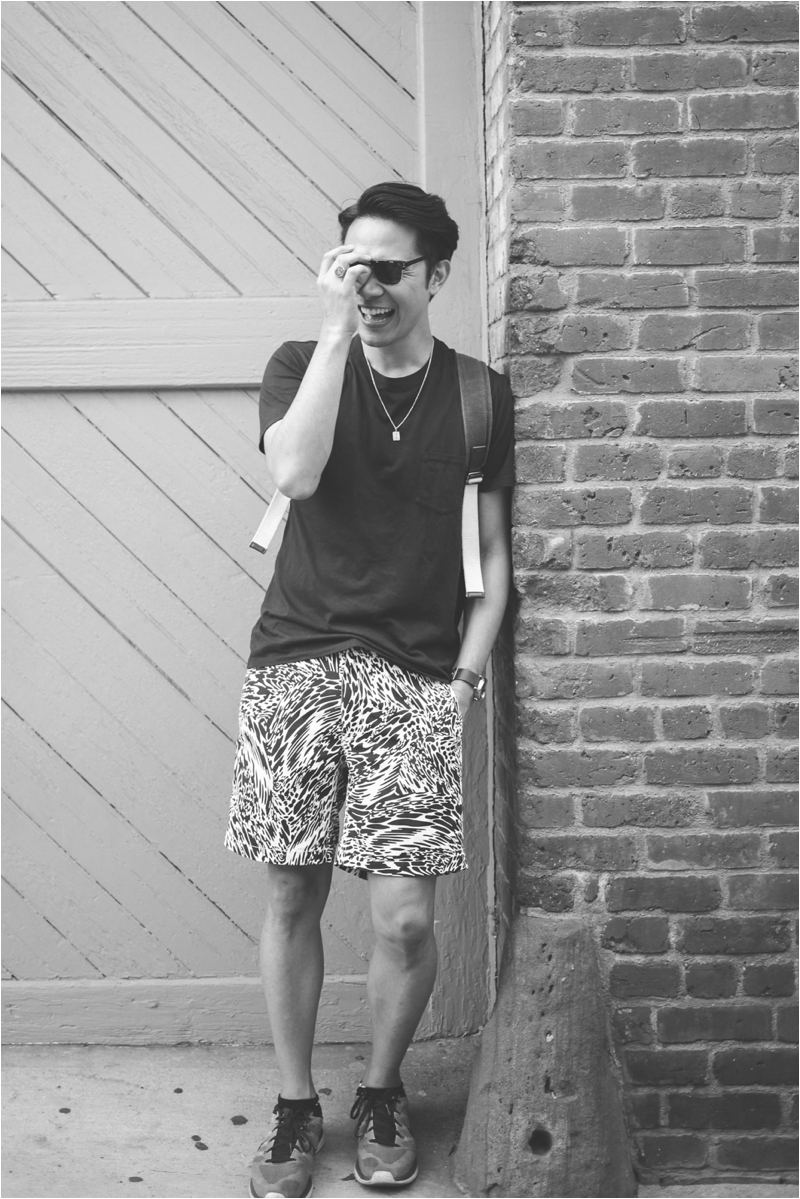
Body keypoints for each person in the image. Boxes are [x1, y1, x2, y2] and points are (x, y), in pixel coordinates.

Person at [225, 181, 513, 1199]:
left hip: (417, 677)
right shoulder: (300, 365)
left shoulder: (478, 396)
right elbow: (296, 475)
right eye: (353, 266)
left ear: (437, 274)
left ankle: (382, 1092)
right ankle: (295, 1105)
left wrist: (462, 683)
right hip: (296, 664)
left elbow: (493, 557)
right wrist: (335, 329)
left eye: (389, 270)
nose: (370, 286)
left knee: (402, 921)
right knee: (290, 892)